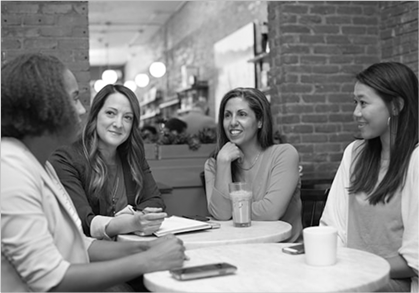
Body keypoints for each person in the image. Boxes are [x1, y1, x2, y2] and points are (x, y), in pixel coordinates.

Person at [1, 53, 186, 293]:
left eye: (127, 117)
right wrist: (147, 260)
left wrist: (144, 249)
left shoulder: (40, 165)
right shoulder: (9, 166)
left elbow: (82, 244)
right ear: (42, 106)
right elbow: (50, 281)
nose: (80, 110)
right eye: (74, 99)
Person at [320, 62, 419, 293]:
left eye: (363, 103)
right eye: (355, 103)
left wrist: (357, 267)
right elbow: (331, 226)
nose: (356, 112)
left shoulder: (415, 159)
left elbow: (415, 261)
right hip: (350, 276)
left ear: (396, 106)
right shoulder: (355, 153)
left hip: (393, 283)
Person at [49, 84, 167, 240]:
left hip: (131, 247)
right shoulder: (66, 159)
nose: (118, 124)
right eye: (111, 113)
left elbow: (156, 201)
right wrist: (130, 222)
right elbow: (82, 221)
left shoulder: (133, 156)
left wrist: (131, 216)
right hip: (90, 255)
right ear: (95, 115)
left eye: (127, 117)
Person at [204, 87, 303, 242]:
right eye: (227, 115)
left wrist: (232, 211)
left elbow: (271, 211)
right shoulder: (214, 164)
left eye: (242, 115)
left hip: (283, 251)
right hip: (238, 249)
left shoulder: (284, 154)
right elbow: (221, 215)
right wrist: (223, 163)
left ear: (260, 121)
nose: (233, 122)